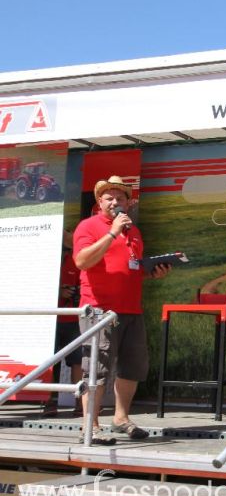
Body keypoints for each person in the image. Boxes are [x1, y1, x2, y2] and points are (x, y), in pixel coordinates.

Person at [73, 176, 171, 445]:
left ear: (129, 202)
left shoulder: (134, 232)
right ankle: (90, 426)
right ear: (99, 202)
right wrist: (112, 232)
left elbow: (131, 269)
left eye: (121, 198)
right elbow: (82, 261)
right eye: (110, 198)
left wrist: (154, 272)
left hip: (131, 309)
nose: (116, 202)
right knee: (97, 368)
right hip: (100, 310)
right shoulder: (89, 226)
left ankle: (120, 418)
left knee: (133, 366)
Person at [42, 228, 83, 418]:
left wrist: (73, 292)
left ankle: (80, 404)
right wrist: (58, 291)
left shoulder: (76, 260)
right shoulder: (44, 259)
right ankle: (48, 402)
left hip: (72, 318)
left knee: (78, 361)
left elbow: (83, 287)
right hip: (48, 319)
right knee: (50, 362)